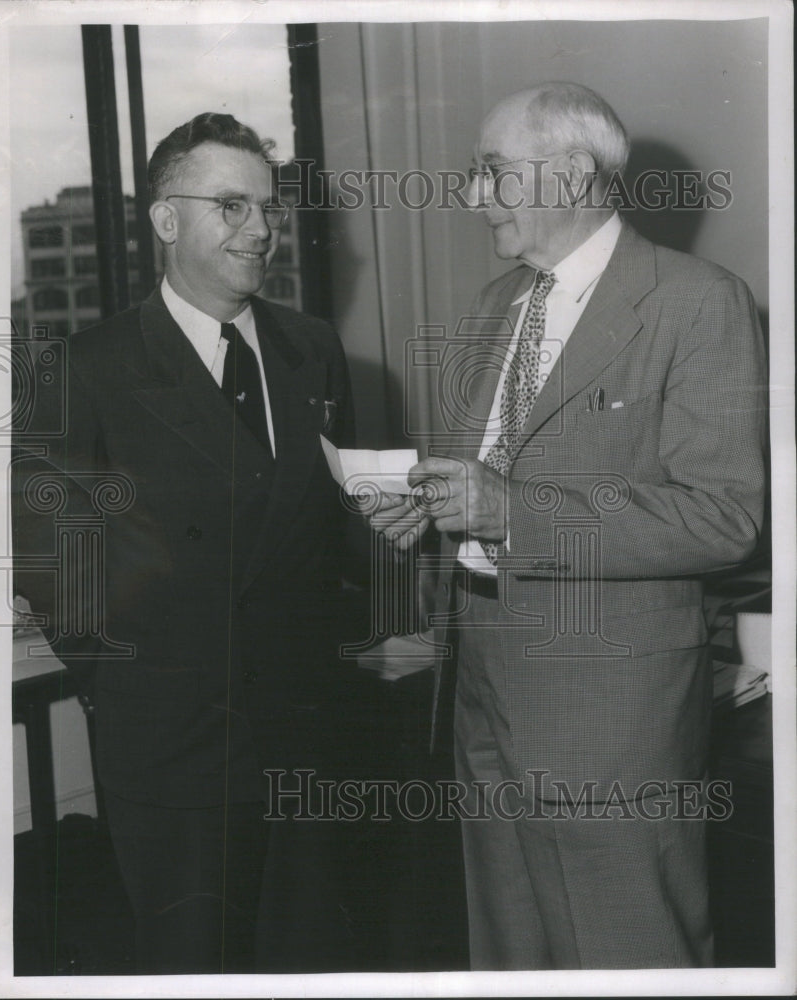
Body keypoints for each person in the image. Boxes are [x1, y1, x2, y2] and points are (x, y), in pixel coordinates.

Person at [372, 82, 767, 969]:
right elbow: (486, 477)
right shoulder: (491, 306)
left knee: (629, 946)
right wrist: (429, 507)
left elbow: (723, 516)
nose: (473, 197)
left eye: (493, 174)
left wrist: (510, 511)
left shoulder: (696, 301)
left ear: (575, 173)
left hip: (609, 705)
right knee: (511, 948)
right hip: (480, 678)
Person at [12, 112, 356, 973]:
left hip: (305, 737)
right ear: (166, 220)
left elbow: (330, 532)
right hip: (169, 752)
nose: (262, 231)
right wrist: (129, 695)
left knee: (308, 960)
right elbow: (55, 569)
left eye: (268, 209)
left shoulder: (312, 349)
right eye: (230, 207)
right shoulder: (83, 368)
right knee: (192, 966)